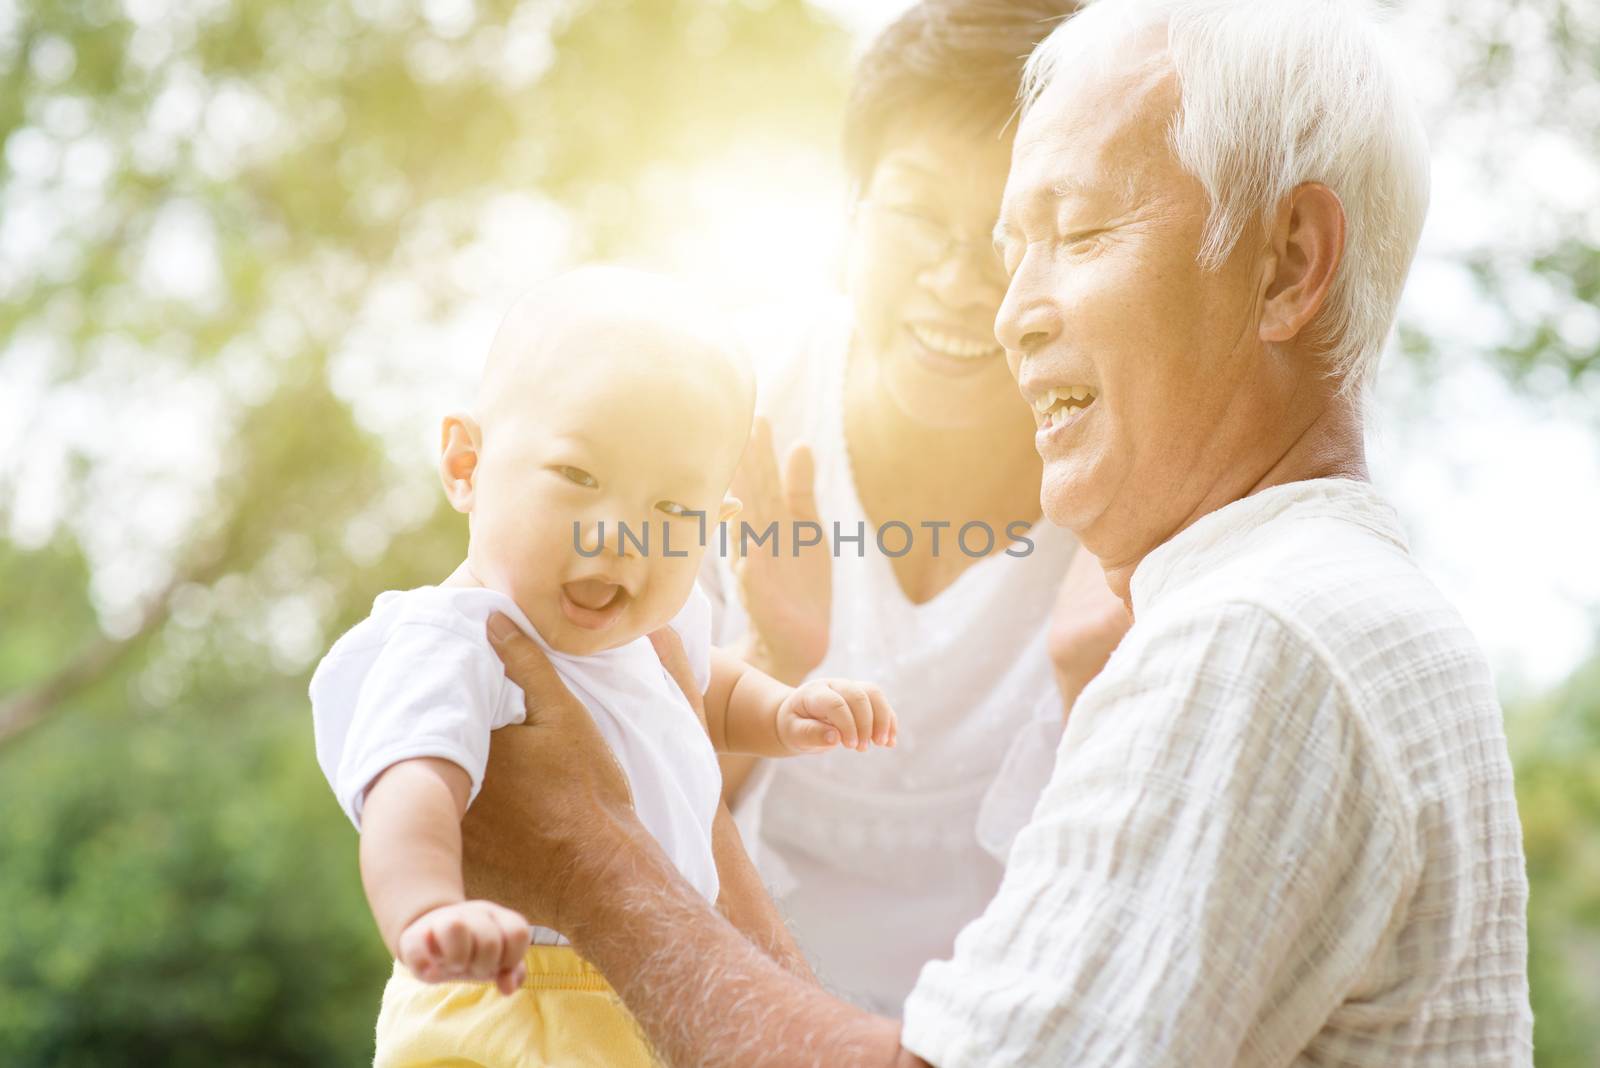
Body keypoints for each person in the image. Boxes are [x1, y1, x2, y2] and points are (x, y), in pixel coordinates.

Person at [459, 1, 1534, 1065]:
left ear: (1287, 263)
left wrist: (591, 868)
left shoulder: (1256, 639)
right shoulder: (1308, 602)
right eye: (1014, 247)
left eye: (1074, 235)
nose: (1006, 308)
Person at [308, 269, 897, 1068]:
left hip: (653, 991)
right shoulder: (455, 640)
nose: (618, 532)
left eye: (671, 510)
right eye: (579, 477)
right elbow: (409, 788)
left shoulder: (655, 628)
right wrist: (428, 913)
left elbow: (702, 693)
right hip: (512, 1003)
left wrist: (783, 711)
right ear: (466, 463)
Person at [704, 0, 1104, 1014]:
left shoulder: (1128, 483)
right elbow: (620, 808)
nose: (962, 282)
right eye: (918, 214)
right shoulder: (719, 408)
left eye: (1017, 235)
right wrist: (769, 663)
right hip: (710, 1002)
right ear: (848, 218)